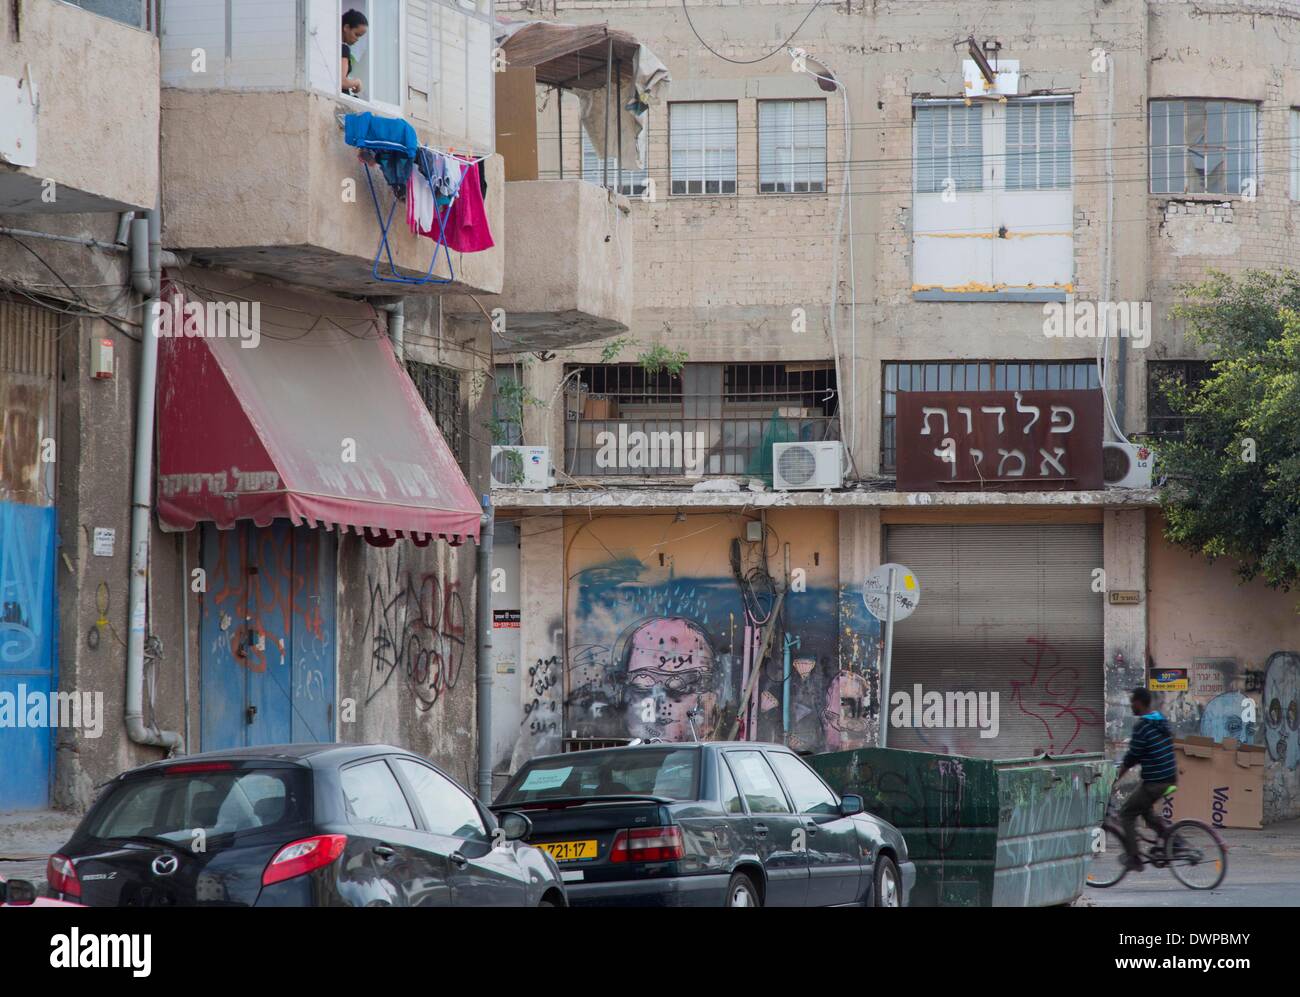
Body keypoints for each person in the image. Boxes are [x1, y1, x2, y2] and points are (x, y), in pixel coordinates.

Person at [1116, 686, 1178, 870]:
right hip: (1169, 777)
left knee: (1126, 814)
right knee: (1147, 813)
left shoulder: (1143, 727)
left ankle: (1134, 857)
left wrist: (1116, 778)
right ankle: (1176, 841)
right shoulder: (1160, 721)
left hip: (1155, 782)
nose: (1131, 706)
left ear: (1138, 703)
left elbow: (1132, 757)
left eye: (1132, 703)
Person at [341, 10, 368, 96]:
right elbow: (342, 81)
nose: (357, 39)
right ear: (346, 28)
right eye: (356, 34)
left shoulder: (333, 47)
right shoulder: (343, 49)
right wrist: (357, 82)